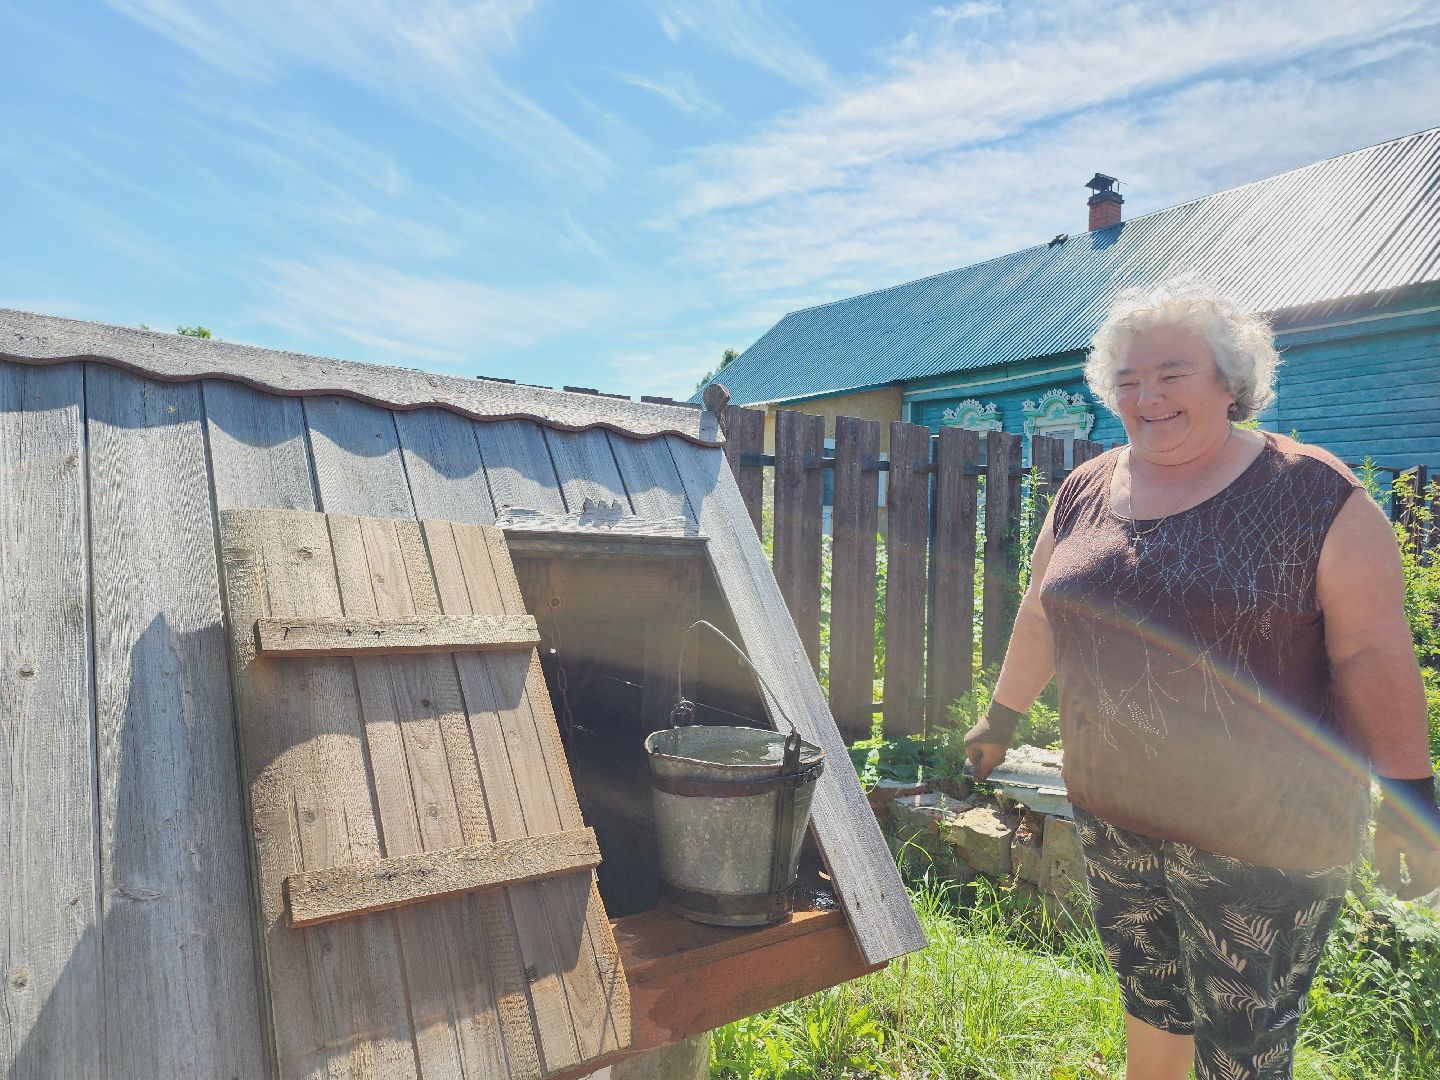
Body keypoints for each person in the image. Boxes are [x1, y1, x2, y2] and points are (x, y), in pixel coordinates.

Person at [965, 277, 1440, 1080]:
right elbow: (1042, 614)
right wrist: (1001, 716)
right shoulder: (1085, 491)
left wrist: (1410, 798)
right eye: (1127, 379)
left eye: (1172, 373)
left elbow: (1372, 654)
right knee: (1151, 1004)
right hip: (1117, 813)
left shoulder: (1313, 495)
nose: (1147, 396)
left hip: (1264, 834)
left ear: (1230, 383)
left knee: (1244, 1048)